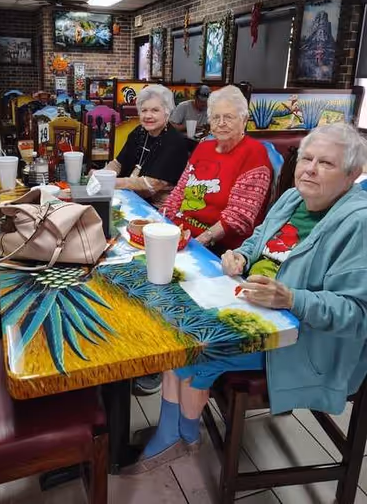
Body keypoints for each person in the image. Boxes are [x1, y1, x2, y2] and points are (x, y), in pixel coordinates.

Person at [126, 123, 367, 474]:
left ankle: (182, 438)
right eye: (307, 158)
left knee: (198, 351)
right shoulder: (293, 197)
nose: (311, 169)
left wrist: (292, 299)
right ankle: (174, 430)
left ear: (352, 175)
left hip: (304, 340)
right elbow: (258, 241)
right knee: (175, 324)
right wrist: (239, 254)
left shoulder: (358, 224)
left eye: (326, 164)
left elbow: (357, 314)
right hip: (255, 308)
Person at [162, 85, 272, 252]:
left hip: (218, 247)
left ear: (244, 120)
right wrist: (163, 221)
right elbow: (179, 191)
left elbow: (238, 218)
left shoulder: (254, 153)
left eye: (228, 117)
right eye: (215, 117)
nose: (221, 123)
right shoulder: (204, 147)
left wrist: (196, 244)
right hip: (180, 233)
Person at [103, 84, 189, 209]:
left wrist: (109, 182)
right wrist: (101, 175)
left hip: (158, 206)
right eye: (144, 110)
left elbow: (151, 184)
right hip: (129, 196)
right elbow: (118, 163)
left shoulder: (174, 141)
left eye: (155, 110)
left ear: (167, 113)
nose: (148, 116)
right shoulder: (139, 132)